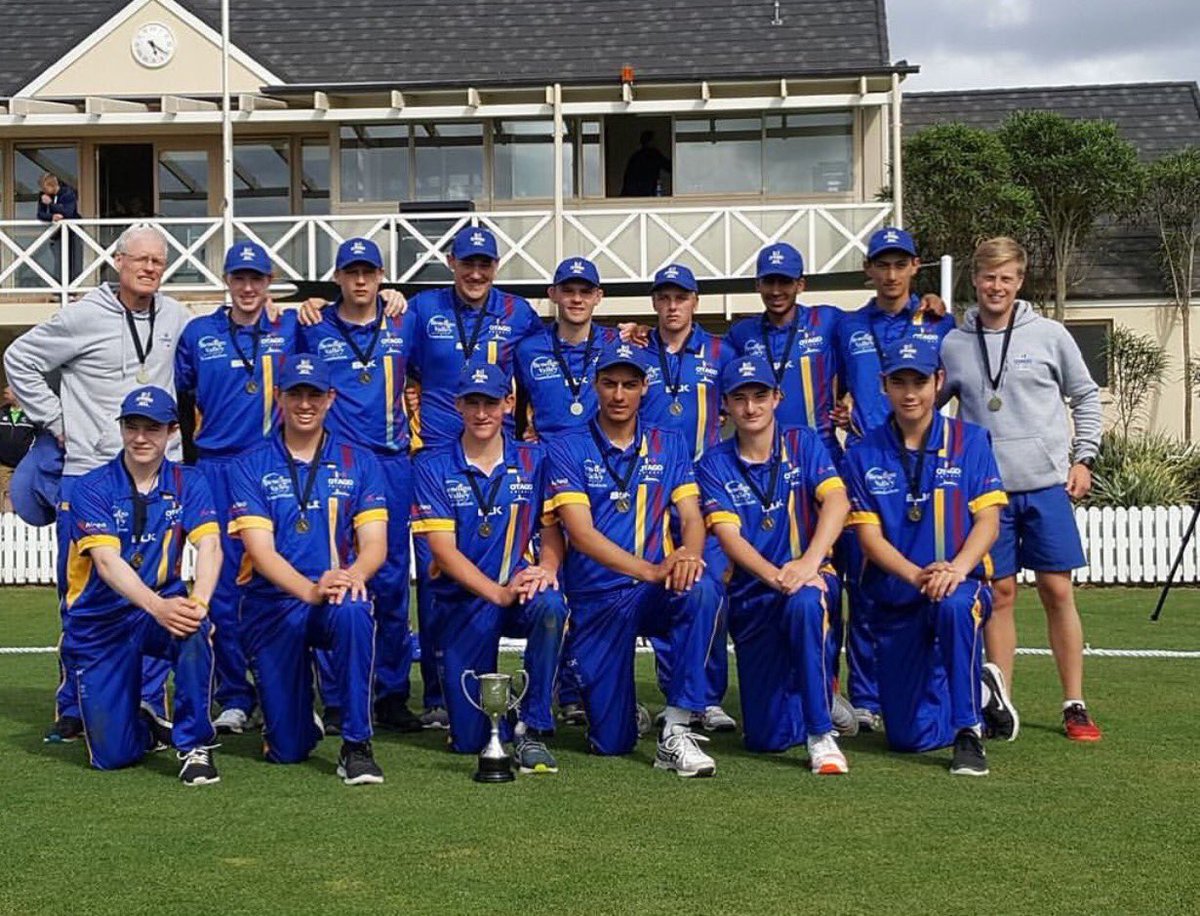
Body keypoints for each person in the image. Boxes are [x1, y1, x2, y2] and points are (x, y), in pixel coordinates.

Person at [5, 223, 191, 743]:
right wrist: (55, 420)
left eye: (158, 260)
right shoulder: (85, 313)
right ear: (118, 260)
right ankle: (73, 704)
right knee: (81, 596)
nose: (150, 268)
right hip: (89, 474)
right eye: (141, 259)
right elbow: (18, 358)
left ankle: (150, 702)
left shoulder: (175, 314)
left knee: (157, 587)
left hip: (158, 477)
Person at [939, 237, 1103, 742]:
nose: (996, 287)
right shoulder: (954, 344)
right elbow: (926, 406)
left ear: (1019, 282)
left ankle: (1074, 703)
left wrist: (1084, 456)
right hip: (987, 494)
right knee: (1000, 594)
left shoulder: (1050, 334)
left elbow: (1085, 394)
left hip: (1046, 483)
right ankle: (998, 702)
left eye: (1006, 278)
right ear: (975, 280)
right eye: (989, 277)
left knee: (1057, 590)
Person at [546, 341, 722, 776]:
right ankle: (624, 711)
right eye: (609, 384)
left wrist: (689, 558)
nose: (619, 395)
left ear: (645, 387)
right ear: (595, 386)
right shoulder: (567, 446)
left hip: (652, 591)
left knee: (700, 588)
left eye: (629, 384)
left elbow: (692, 516)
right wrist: (651, 567)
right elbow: (581, 534)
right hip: (598, 598)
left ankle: (678, 725)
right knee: (611, 742)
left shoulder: (668, 442)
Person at [843, 337, 1012, 776]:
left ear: (938, 382)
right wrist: (920, 576)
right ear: (884, 386)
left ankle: (968, 732)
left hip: (960, 584)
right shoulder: (863, 452)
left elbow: (988, 522)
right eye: (899, 382)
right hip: (899, 593)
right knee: (907, 738)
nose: (910, 392)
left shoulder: (971, 440)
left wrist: (955, 570)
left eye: (919, 381)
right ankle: (977, 687)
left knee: (955, 608)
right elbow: (869, 539)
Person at [406, 225, 544, 727]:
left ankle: (542, 697)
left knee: (506, 566)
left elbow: (542, 365)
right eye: (468, 262)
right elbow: (394, 360)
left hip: (497, 459)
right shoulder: (423, 309)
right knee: (436, 578)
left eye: (485, 263)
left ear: (496, 266)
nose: (476, 272)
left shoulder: (519, 313)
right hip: (436, 459)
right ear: (451, 260)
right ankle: (438, 697)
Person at [228, 356, 388, 785]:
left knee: (356, 607)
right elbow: (260, 552)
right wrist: (311, 590)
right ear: (278, 397)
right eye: (294, 393)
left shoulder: (359, 461)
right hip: (273, 604)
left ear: (330, 398)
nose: (304, 403)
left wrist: (354, 576)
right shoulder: (250, 464)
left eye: (313, 394)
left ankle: (356, 745)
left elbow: (375, 544)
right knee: (287, 750)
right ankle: (298, 719)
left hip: (334, 596)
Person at [411, 363, 568, 773]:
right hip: (464, 600)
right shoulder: (432, 465)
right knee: (469, 741)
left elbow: (552, 528)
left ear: (508, 404)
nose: (482, 413)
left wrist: (547, 568)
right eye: (473, 403)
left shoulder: (534, 460)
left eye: (492, 403)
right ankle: (505, 715)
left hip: (519, 592)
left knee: (552, 606)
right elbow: (442, 551)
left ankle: (532, 726)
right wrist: (495, 593)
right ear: (458, 405)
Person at [697, 356, 851, 773]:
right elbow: (729, 538)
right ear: (724, 404)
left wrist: (810, 563)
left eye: (760, 396)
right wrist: (778, 577)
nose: (751, 407)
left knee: (805, 603)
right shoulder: (712, 463)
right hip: (754, 595)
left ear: (777, 397)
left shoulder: (803, 442)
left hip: (809, 580)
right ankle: (810, 694)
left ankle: (822, 734)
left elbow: (837, 501)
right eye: (740, 398)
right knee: (766, 739)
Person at [60, 386, 221, 784]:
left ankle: (194, 745)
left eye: (152, 428)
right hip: (100, 622)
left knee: (193, 627)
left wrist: (198, 601)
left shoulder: (190, 481)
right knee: (113, 757)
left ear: (171, 432)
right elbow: (107, 563)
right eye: (132, 427)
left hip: (159, 607)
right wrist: (158, 607)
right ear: (122, 429)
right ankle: (145, 724)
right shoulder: (91, 487)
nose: (141, 438)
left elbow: (211, 545)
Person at [832, 226, 957, 731]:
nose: (890, 273)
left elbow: (955, 382)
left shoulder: (939, 323)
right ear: (869, 270)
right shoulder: (846, 325)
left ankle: (928, 687)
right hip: (865, 462)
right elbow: (831, 383)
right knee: (863, 581)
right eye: (881, 264)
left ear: (914, 266)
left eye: (899, 264)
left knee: (925, 574)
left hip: (928, 465)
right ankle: (864, 696)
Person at [175, 241, 302, 735]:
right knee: (222, 586)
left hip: (275, 467)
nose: (249, 288)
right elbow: (182, 397)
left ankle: (292, 689)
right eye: (239, 278)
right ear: (226, 281)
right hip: (214, 468)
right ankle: (233, 694)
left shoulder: (291, 327)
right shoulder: (198, 333)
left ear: (269, 282)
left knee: (286, 574)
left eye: (258, 278)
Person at [300, 237, 421, 734]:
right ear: (337, 277)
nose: (361, 280)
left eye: (369, 271)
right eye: (351, 272)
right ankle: (337, 696)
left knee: (390, 581)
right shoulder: (313, 325)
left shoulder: (402, 319)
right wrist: (297, 303)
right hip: (335, 463)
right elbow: (257, 323)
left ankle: (391, 693)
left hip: (391, 463)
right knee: (336, 573)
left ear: (380, 275)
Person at [638, 262, 737, 733]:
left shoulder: (720, 350)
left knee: (709, 588)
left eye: (682, 297)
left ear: (695, 302)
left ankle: (709, 696)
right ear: (655, 302)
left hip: (706, 487)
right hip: (654, 489)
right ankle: (675, 692)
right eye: (665, 297)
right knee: (666, 587)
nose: (673, 306)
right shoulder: (637, 351)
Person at [514, 256, 619, 438]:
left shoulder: (616, 343)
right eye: (568, 291)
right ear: (553, 294)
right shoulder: (527, 350)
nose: (577, 299)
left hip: (602, 458)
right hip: (548, 457)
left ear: (598, 297)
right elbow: (517, 408)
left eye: (585, 292)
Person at [36, 172, 82, 283]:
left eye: (45, 188)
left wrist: (51, 204)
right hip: (57, 233)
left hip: (73, 232)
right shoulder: (44, 196)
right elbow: (40, 214)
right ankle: (58, 290)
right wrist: (52, 216)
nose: (44, 191)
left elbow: (68, 213)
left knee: (73, 261)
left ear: (52, 185)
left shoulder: (68, 193)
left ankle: (71, 291)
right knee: (59, 262)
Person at [0, 386, 37, 511]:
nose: (5, 390)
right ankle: (7, 524)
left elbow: (40, 437)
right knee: (6, 493)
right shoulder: (1, 412)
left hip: (25, 464)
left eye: (10, 388)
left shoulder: (33, 415)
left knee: (23, 493)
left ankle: (24, 523)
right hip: (3, 464)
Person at [621, 130, 671, 197]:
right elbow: (670, 167)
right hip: (646, 193)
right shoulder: (654, 155)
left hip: (634, 195)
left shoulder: (635, 157)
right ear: (651, 141)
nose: (657, 143)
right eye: (655, 140)